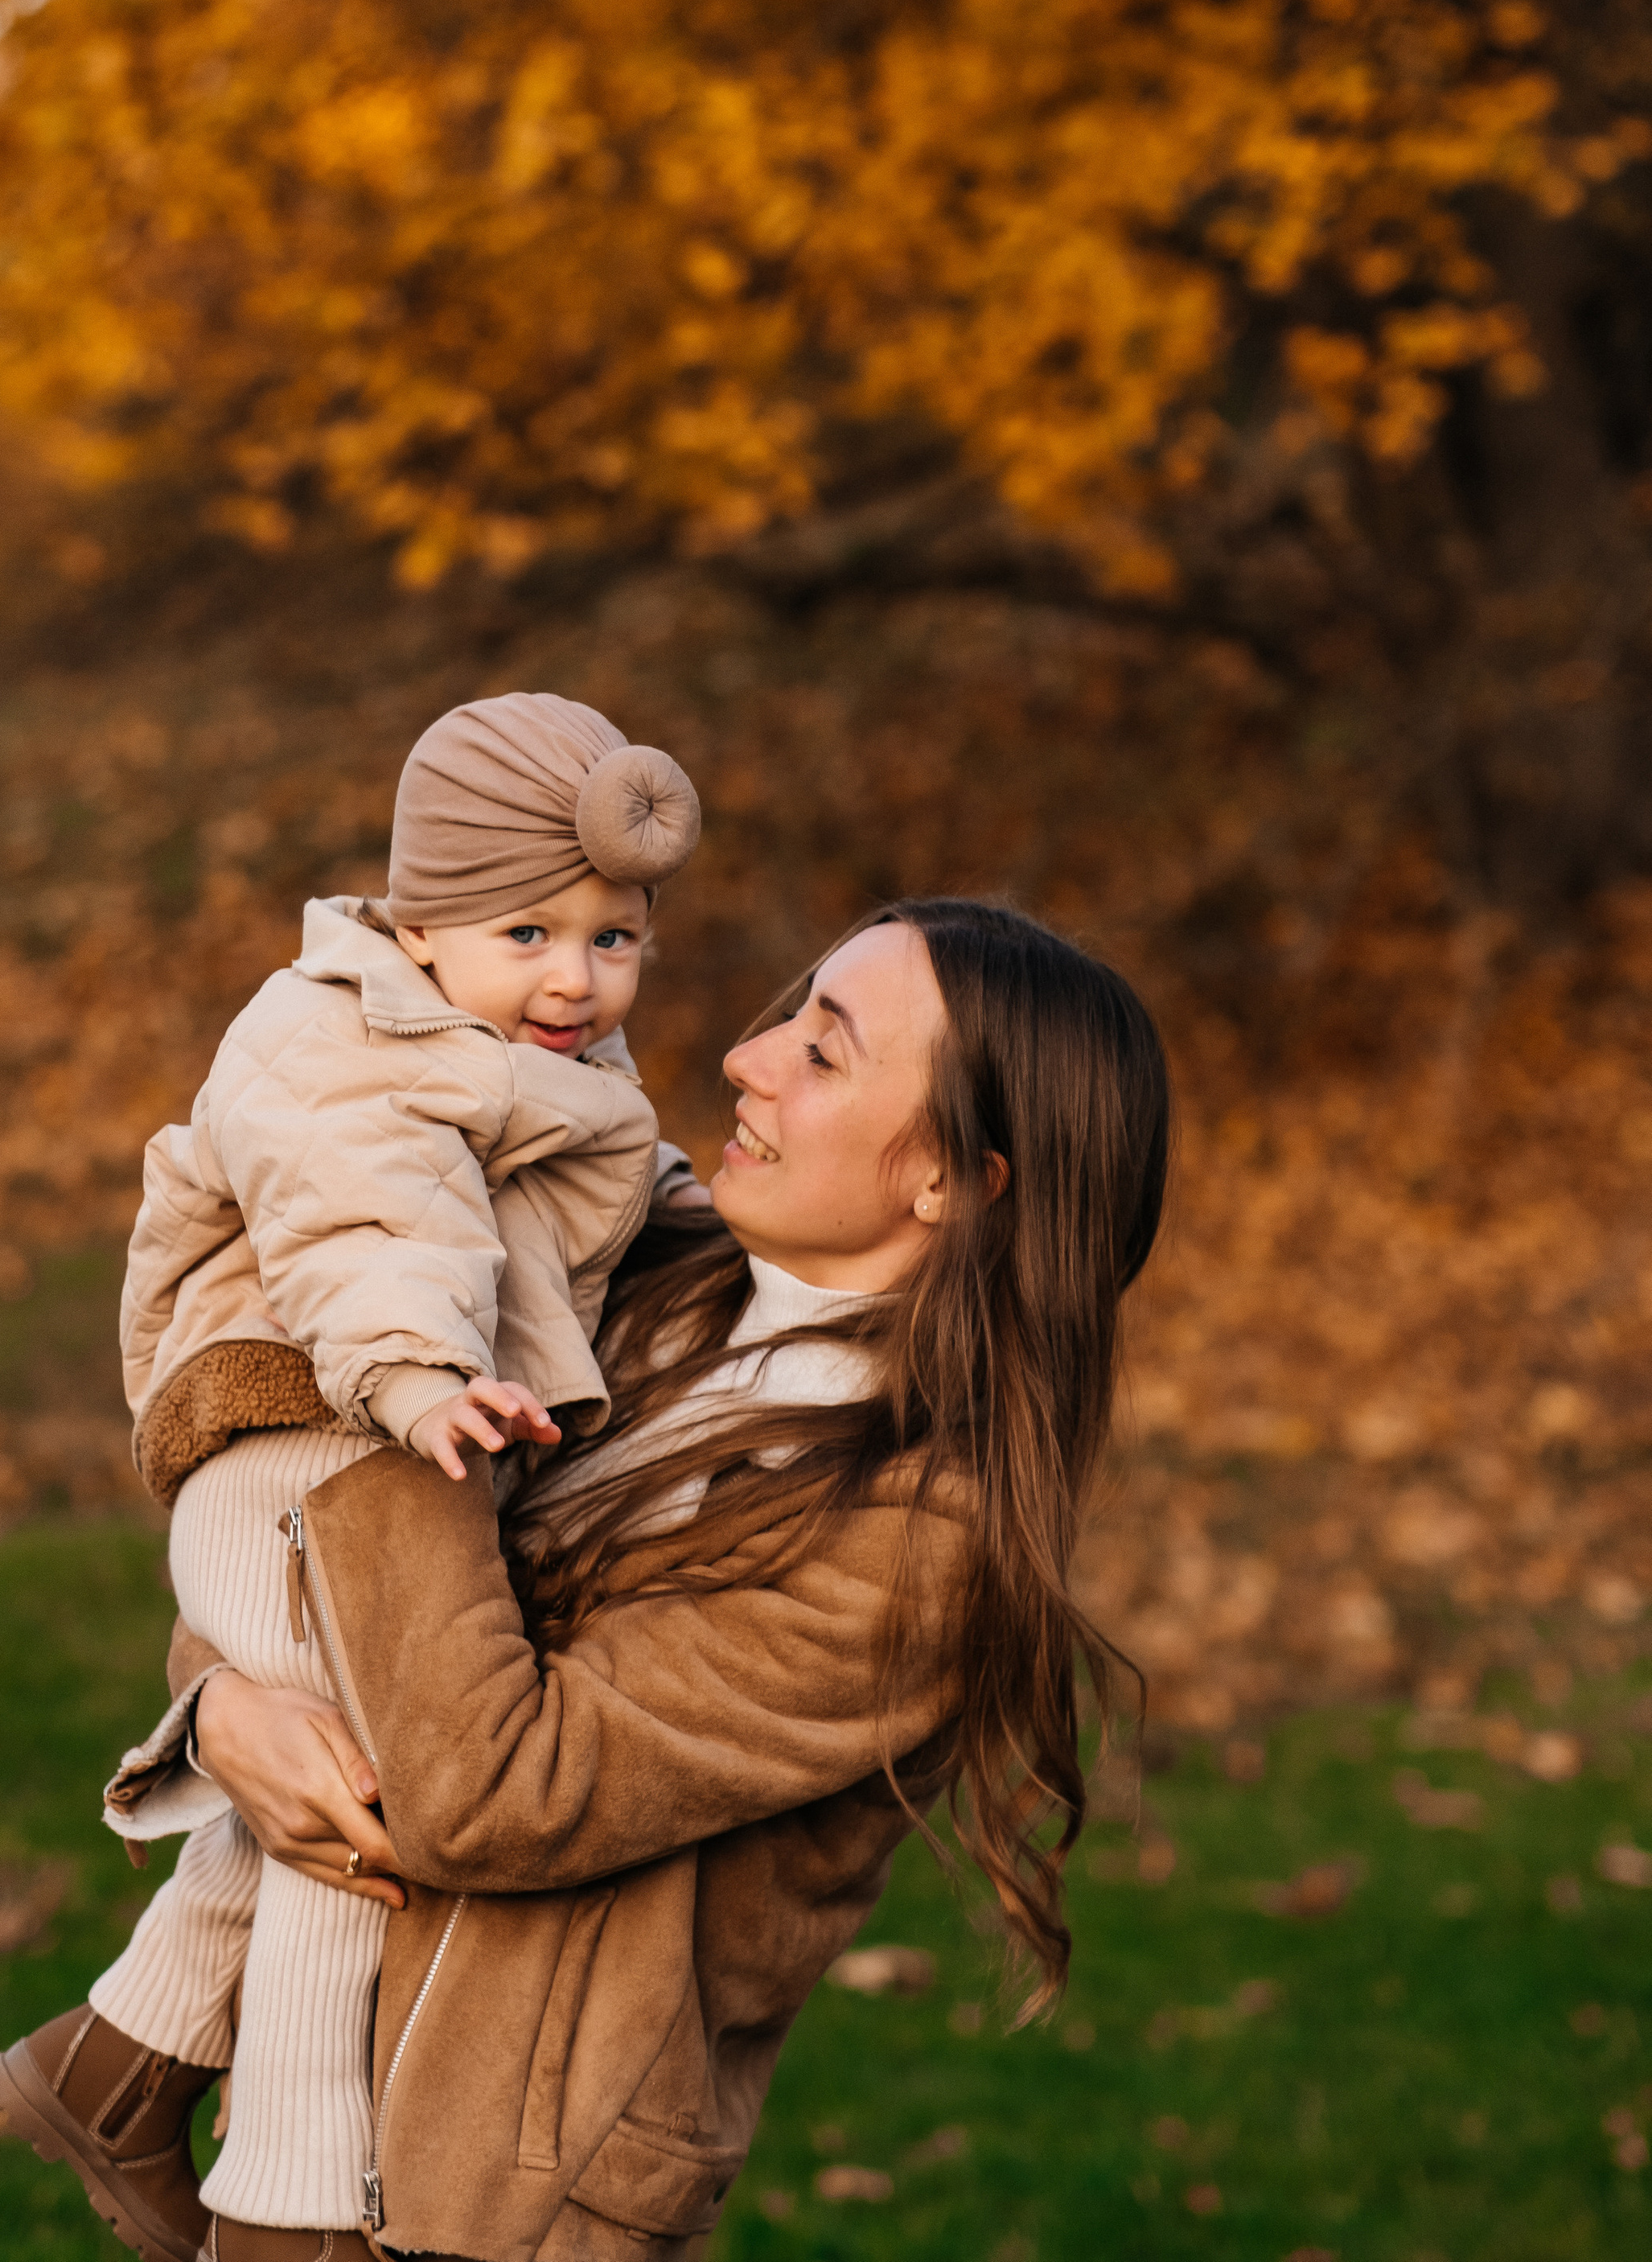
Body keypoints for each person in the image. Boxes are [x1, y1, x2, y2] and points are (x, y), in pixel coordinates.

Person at [152, 895, 1170, 2261]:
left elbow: (490, 1788)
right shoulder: (646, 1280)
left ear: (953, 1181)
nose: (749, 1057)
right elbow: (302, 1562)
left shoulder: (920, 1544)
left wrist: (407, 1384)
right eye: (793, 1011)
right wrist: (223, 1706)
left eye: (826, 1051)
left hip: (504, 2200)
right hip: (313, 2091)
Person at [0, 693, 706, 2262]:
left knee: (310, 1776)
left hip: (372, 1435)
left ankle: (112, 2070)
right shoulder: (339, 1037)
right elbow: (374, 1223)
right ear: (423, 918)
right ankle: (291, 2219)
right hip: (305, 1422)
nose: (576, 977)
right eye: (530, 930)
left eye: (615, 937)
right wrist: (422, 1378)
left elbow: (587, 1177)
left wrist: (693, 1213)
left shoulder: (509, 1033)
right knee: (361, 1805)